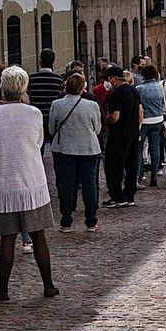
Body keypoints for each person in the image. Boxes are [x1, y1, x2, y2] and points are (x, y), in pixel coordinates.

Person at [0, 66, 59, 301]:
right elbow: (37, 142)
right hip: (31, 183)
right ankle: (48, 285)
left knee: (8, 238)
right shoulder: (34, 113)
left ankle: (3, 289)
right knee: (38, 236)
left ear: (2, 88)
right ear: (24, 87)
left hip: (3, 183)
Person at [48, 73, 102, 232]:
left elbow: (52, 129)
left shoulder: (56, 105)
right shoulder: (91, 105)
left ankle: (66, 221)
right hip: (88, 149)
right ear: (82, 88)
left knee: (66, 184)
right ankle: (91, 220)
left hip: (64, 149)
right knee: (89, 184)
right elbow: (97, 128)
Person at [101, 65, 142, 207]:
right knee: (131, 164)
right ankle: (130, 195)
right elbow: (140, 112)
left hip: (119, 133)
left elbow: (115, 117)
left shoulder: (116, 94)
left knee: (114, 165)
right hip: (133, 132)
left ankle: (117, 196)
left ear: (113, 79)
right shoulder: (134, 91)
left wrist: (105, 120)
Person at [135, 64, 166, 185]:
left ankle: (139, 175)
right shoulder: (159, 87)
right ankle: (154, 177)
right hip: (158, 120)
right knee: (155, 149)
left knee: (139, 149)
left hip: (144, 121)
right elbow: (162, 102)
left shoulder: (139, 89)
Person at [27, 48, 65, 143]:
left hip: (36, 118)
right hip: (53, 118)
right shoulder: (59, 80)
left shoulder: (32, 78)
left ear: (40, 61)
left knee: (39, 148)